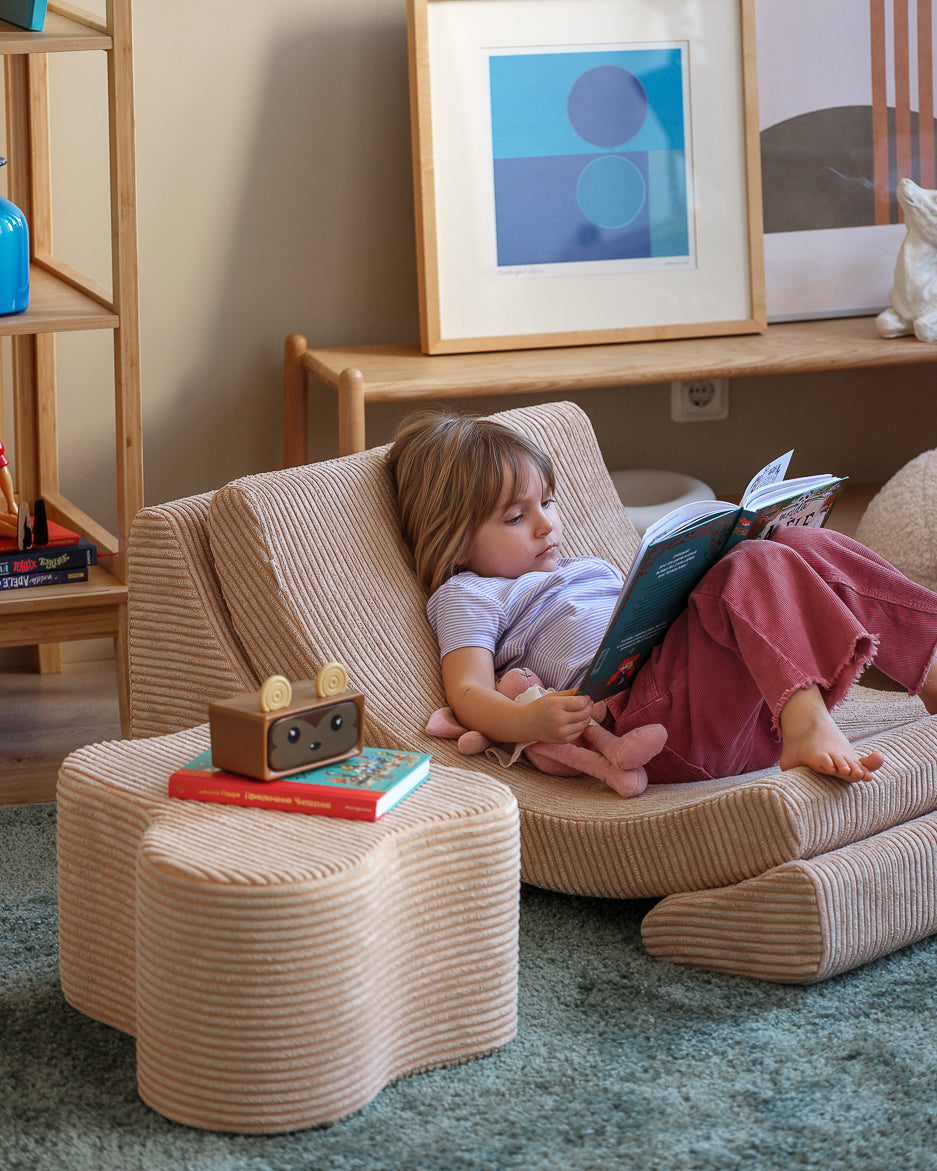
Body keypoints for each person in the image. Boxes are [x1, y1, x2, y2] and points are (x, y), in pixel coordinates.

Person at [386, 409, 937, 790]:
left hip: (728, 709)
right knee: (748, 564)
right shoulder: (469, 592)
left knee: (796, 542)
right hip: (651, 726)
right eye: (515, 516)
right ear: (455, 541)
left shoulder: (582, 567)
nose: (546, 525)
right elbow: (467, 692)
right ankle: (806, 723)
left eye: (547, 502)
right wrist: (528, 722)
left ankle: (930, 669)